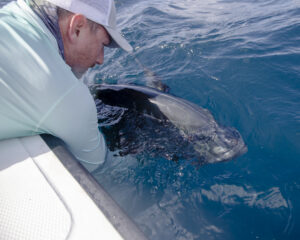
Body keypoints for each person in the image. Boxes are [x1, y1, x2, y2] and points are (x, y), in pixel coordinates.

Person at [0, 0, 132, 170]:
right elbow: (98, 167)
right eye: (102, 44)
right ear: (77, 27)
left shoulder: (10, 13)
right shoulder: (64, 94)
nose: (101, 59)